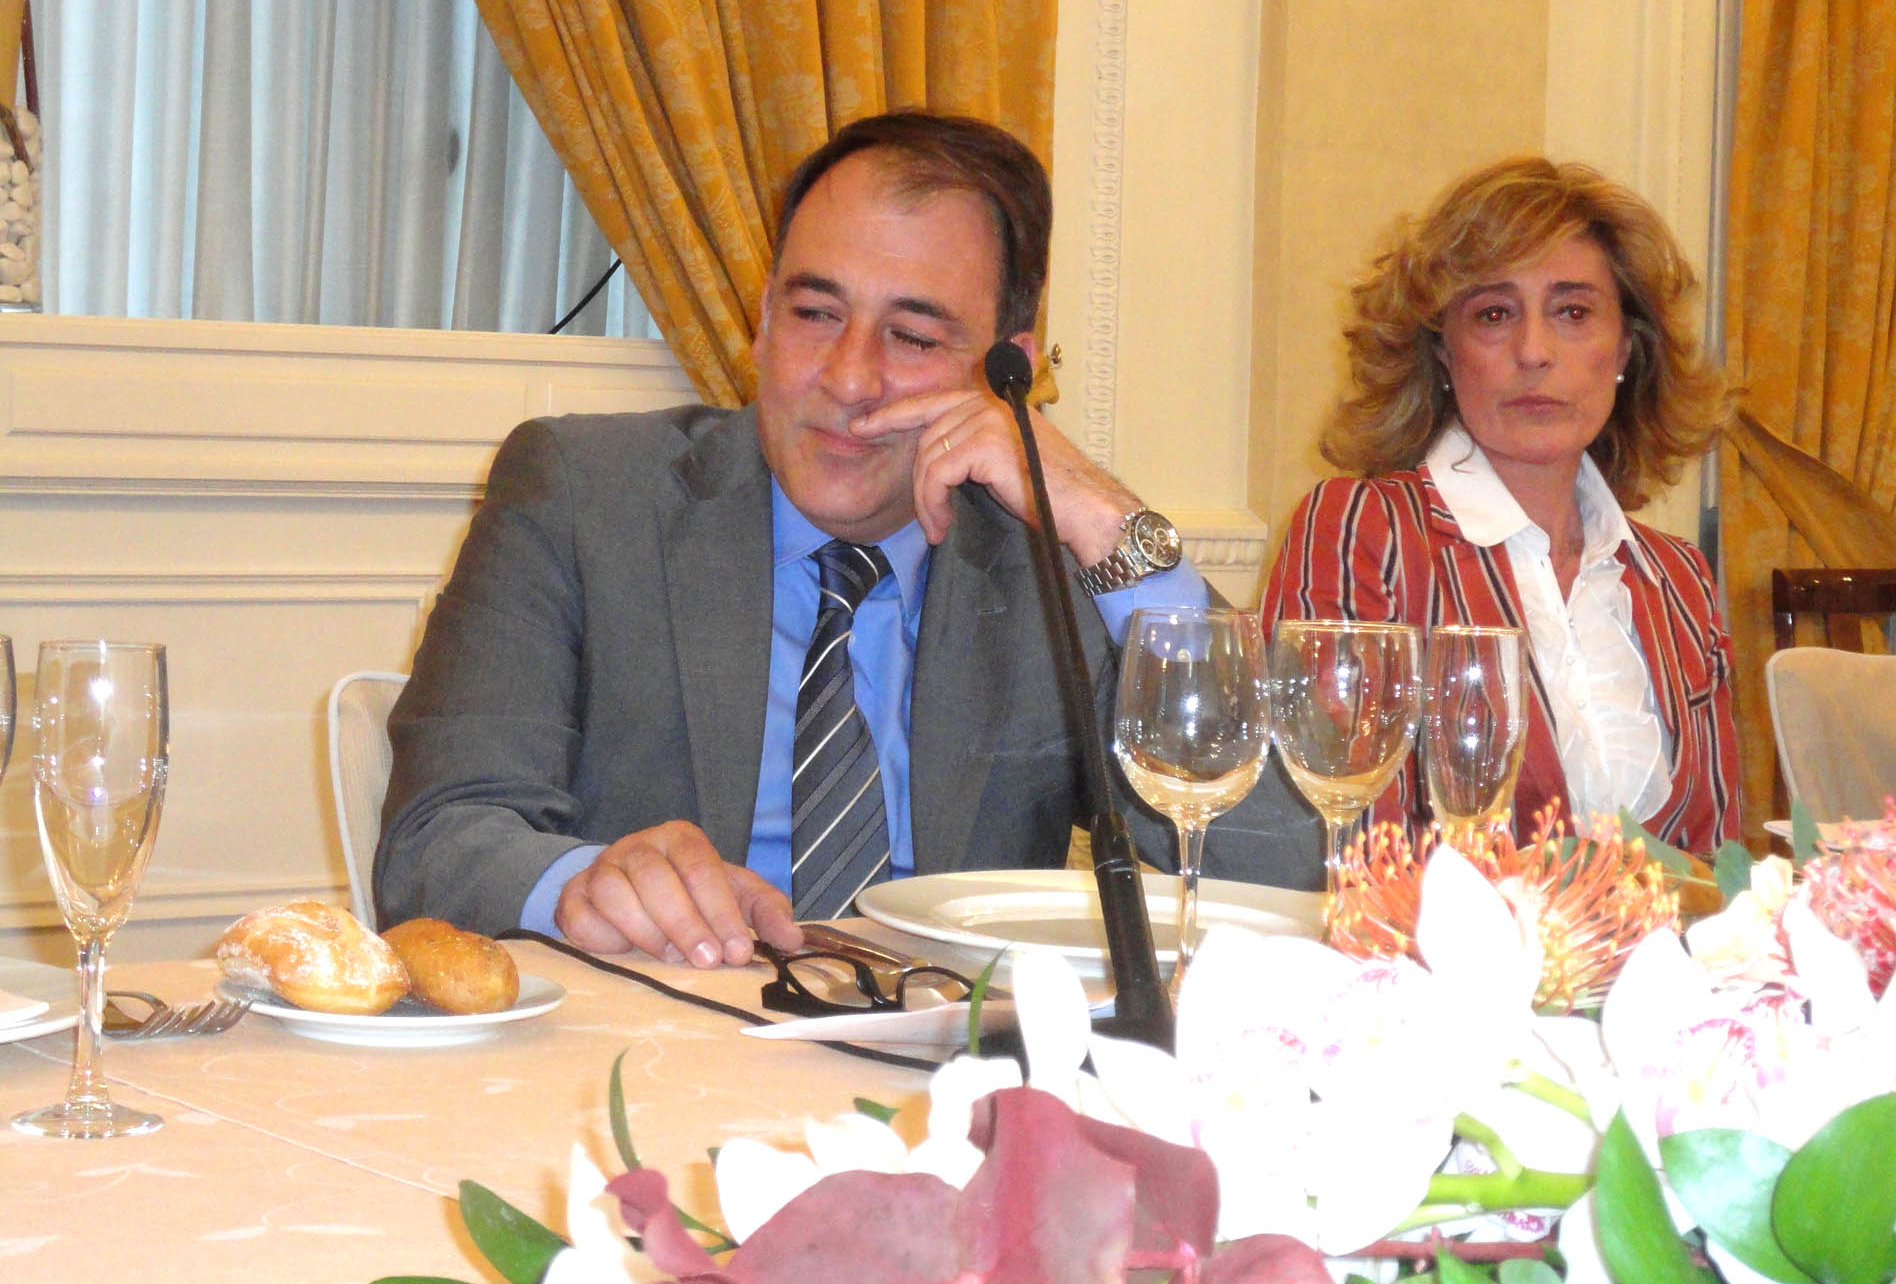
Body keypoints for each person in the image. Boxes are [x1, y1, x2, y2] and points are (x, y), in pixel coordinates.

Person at [377, 110, 1320, 964]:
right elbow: (436, 840)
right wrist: (585, 885)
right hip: (657, 1035)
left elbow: (1285, 865)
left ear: (1010, 374)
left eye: (913, 337)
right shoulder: (585, 496)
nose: (849, 378)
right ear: (761, 321)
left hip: (949, 1059)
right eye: (815, 314)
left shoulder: (1053, 560)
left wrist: (1111, 526)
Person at [1261, 156, 1738, 849]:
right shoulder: (1363, 532)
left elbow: (1715, 863)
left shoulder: (1679, 579)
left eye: (1572, 312)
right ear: (1443, 354)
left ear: (1624, 351)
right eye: (1494, 314)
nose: (1533, 351)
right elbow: (1343, 838)